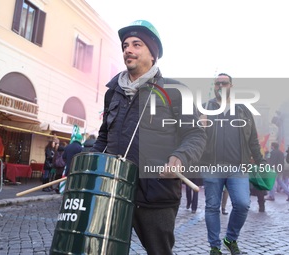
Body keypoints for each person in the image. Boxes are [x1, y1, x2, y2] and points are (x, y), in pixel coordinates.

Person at [91, 20, 206, 255]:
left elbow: (195, 134)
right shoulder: (112, 92)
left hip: (155, 192)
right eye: (125, 46)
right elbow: (103, 136)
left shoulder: (175, 91)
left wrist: (180, 157)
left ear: (153, 55)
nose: (128, 50)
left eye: (137, 44)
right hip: (112, 189)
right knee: (102, 249)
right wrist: (88, 161)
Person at [200, 73, 268, 255]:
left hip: (238, 167)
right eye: (217, 83)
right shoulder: (205, 108)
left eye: (225, 83)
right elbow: (195, 136)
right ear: (214, 86)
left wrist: (261, 161)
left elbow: (253, 139)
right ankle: (214, 247)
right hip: (212, 166)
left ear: (231, 85)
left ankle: (230, 238)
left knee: (243, 204)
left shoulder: (244, 110)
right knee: (212, 207)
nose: (221, 85)